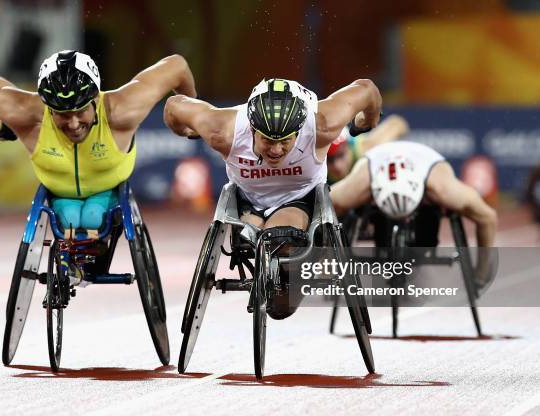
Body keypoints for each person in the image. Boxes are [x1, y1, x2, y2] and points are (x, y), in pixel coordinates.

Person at [164, 77, 382, 318]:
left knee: (280, 300)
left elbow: (367, 89)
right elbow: (174, 106)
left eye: (285, 141)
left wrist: (366, 121)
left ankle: (300, 260)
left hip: (300, 199)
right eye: (267, 140)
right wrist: (186, 130)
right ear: (252, 130)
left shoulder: (323, 124)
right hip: (247, 200)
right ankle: (273, 254)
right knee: (258, 237)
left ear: (299, 131)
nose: (276, 150)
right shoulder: (222, 130)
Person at [0, 50, 196, 237]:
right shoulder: (23, 112)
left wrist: (191, 117)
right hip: (60, 193)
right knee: (73, 219)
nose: (74, 124)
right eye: (62, 114)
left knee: (93, 217)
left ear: (94, 98)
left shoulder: (122, 109)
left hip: (108, 189)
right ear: (47, 107)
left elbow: (177, 65)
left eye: (80, 111)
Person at [330, 140, 498, 287]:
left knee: (426, 236)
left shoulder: (442, 188)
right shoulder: (355, 189)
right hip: (375, 161)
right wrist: (326, 261)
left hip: (427, 161)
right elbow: (320, 212)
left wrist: (481, 274)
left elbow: (488, 217)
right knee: (333, 209)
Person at [327, 114, 409, 183]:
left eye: (341, 155)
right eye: (329, 159)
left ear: (349, 147)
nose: (337, 166)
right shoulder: (315, 167)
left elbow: (397, 123)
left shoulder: (365, 148)